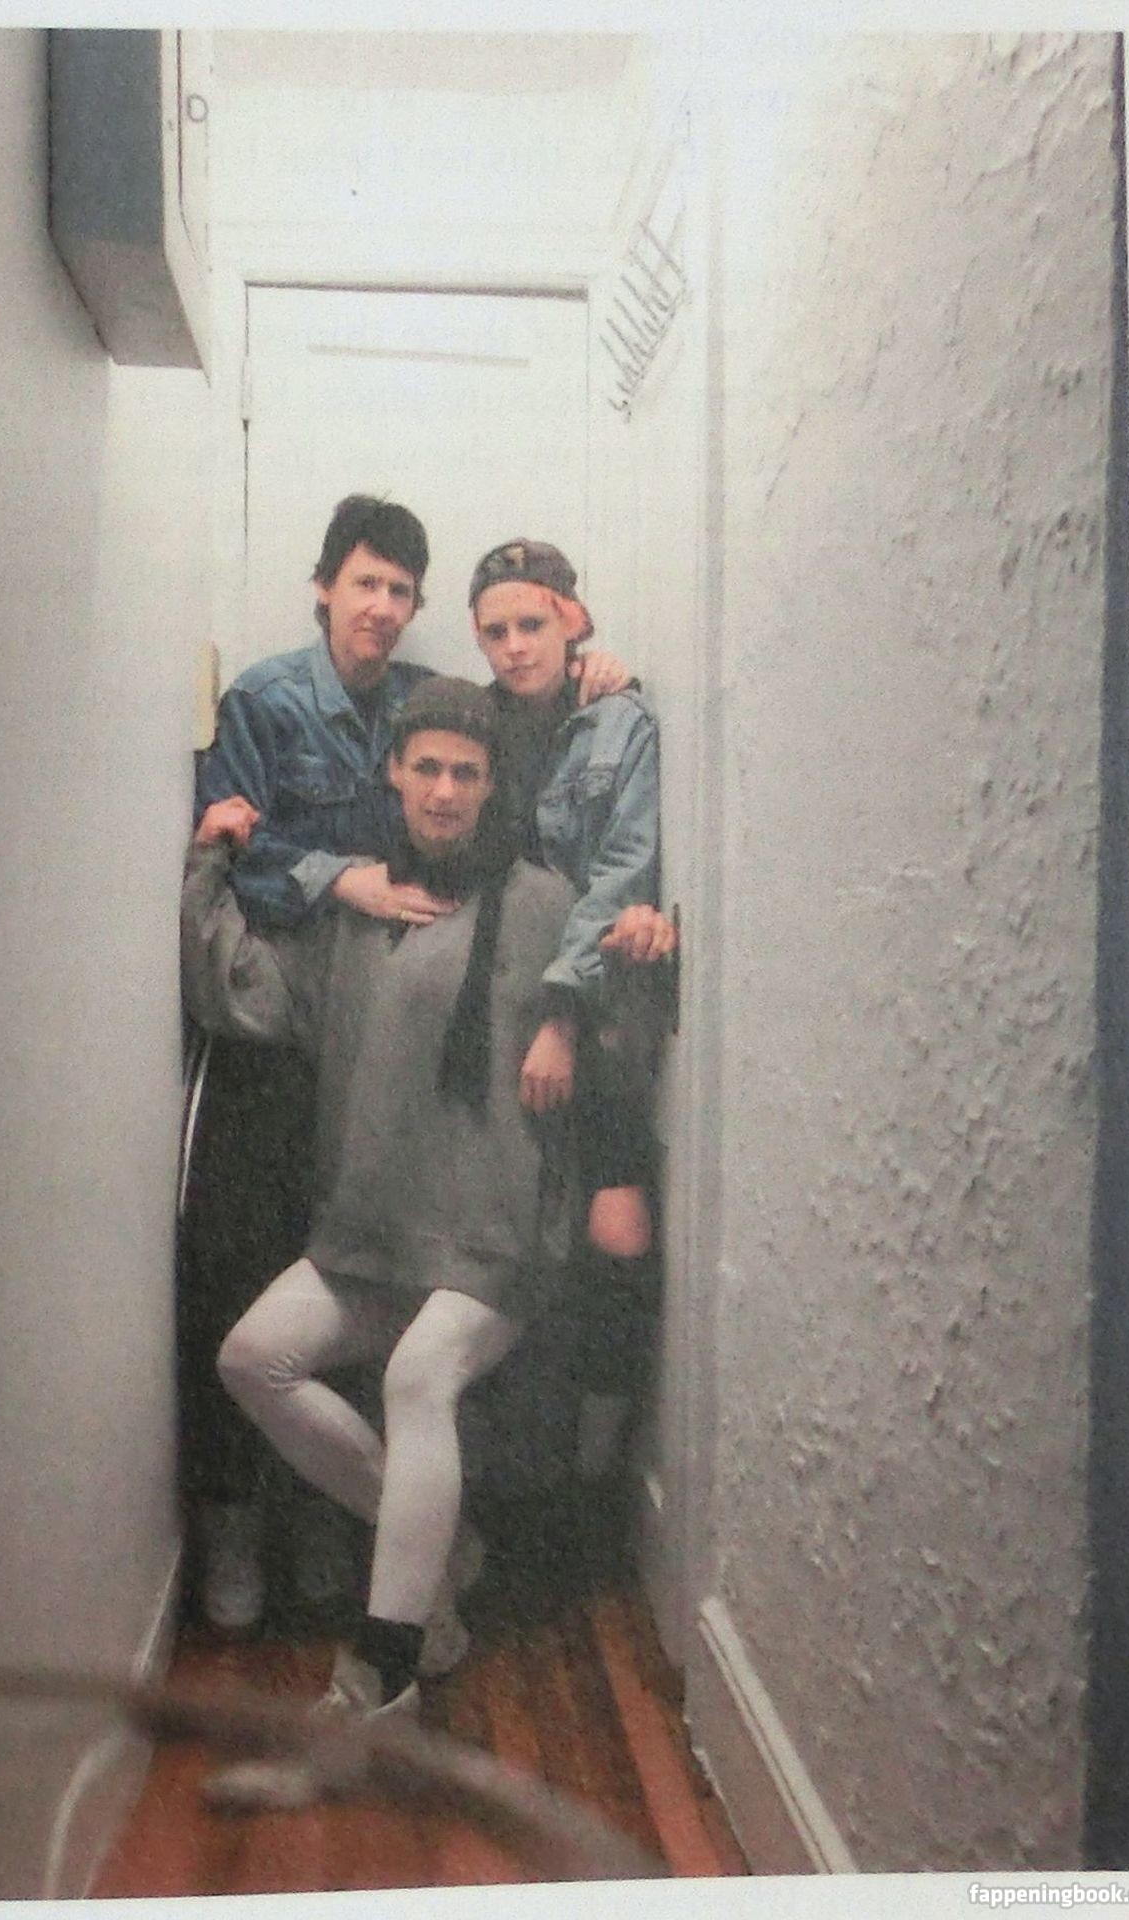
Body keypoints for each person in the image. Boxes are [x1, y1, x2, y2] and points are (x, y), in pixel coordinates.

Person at [182, 497, 628, 1635]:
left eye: (464, 773)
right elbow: (243, 975)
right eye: (423, 770)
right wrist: (232, 870)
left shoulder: (536, 901)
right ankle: (426, 1547)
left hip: (489, 1227)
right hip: (372, 1203)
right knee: (251, 1350)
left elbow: (533, 733)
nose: (442, 789)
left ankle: (389, 1650)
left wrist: (603, 691)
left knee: (415, 1376)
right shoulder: (337, 860)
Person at [469, 538, 676, 1485]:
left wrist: (560, 1017)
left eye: (532, 623)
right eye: (495, 631)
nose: (515, 645)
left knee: (615, 1235)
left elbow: (622, 873)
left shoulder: (618, 724)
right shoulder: (468, 726)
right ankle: (499, 1481)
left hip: (584, 1014)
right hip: (484, 1015)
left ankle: (593, 1477)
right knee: (499, 1242)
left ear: (572, 621)